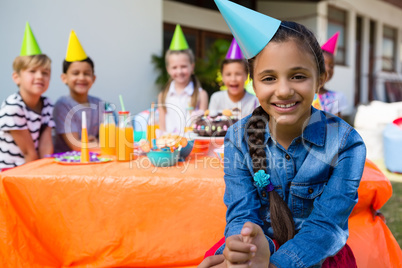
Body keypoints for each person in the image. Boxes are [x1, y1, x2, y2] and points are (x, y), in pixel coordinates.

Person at [200, 0, 367, 267]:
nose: (284, 90)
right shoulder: (237, 139)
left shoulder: (347, 144)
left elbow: (326, 226)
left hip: (312, 254)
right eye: (269, 78)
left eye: (298, 76)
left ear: (320, 79)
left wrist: (275, 264)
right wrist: (245, 246)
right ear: (252, 83)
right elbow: (242, 214)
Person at [0, 22, 54, 171]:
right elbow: (28, 152)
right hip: (9, 173)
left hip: (32, 167)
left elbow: (45, 148)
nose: (40, 76)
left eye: (45, 73)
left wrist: (48, 170)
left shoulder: (47, 104)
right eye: (32, 71)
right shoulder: (13, 106)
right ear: (16, 77)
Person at [53, 30, 112, 153]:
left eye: (86, 74)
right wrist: (98, 144)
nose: (81, 78)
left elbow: (110, 137)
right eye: (75, 73)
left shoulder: (99, 104)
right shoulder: (63, 105)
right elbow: (76, 145)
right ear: (64, 78)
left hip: (95, 159)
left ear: (93, 78)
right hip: (67, 162)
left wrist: (95, 143)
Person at [158, 24, 208, 134]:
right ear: (168, 69)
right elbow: (162, 128)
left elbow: (203, 127)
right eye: (174, 67)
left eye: (183, 66)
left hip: (192, 146)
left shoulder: (201, 95)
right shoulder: (163, 96)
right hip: (170, 146)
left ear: (192, 67)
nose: (179, 71)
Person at [209, 38, 259, 118]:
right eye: (228, 74)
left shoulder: (254, 101)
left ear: (246, 75)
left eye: (238, 74)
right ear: (222, 77)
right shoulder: (216, 98)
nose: (233, 79)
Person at [318, 32, 348, 118]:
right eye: (323, 63)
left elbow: (336, 126)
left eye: (331, 66)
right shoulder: (303, 95)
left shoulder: (335, 98)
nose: (328, 69)